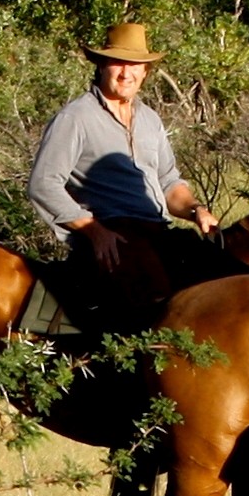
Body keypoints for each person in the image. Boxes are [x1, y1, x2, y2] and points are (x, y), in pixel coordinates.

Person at [25, 21, 219, 322]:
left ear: (146, 71)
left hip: (158, 232)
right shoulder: (76, 118)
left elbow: (168, 181)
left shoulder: (150, 120)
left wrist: (196, 210)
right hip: (115, 235)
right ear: (102, 65)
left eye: (135, 65)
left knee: (219, 276)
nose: (126, 73)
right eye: (118, 62)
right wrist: (93, 231)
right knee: (156, 309)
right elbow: (43, 184)